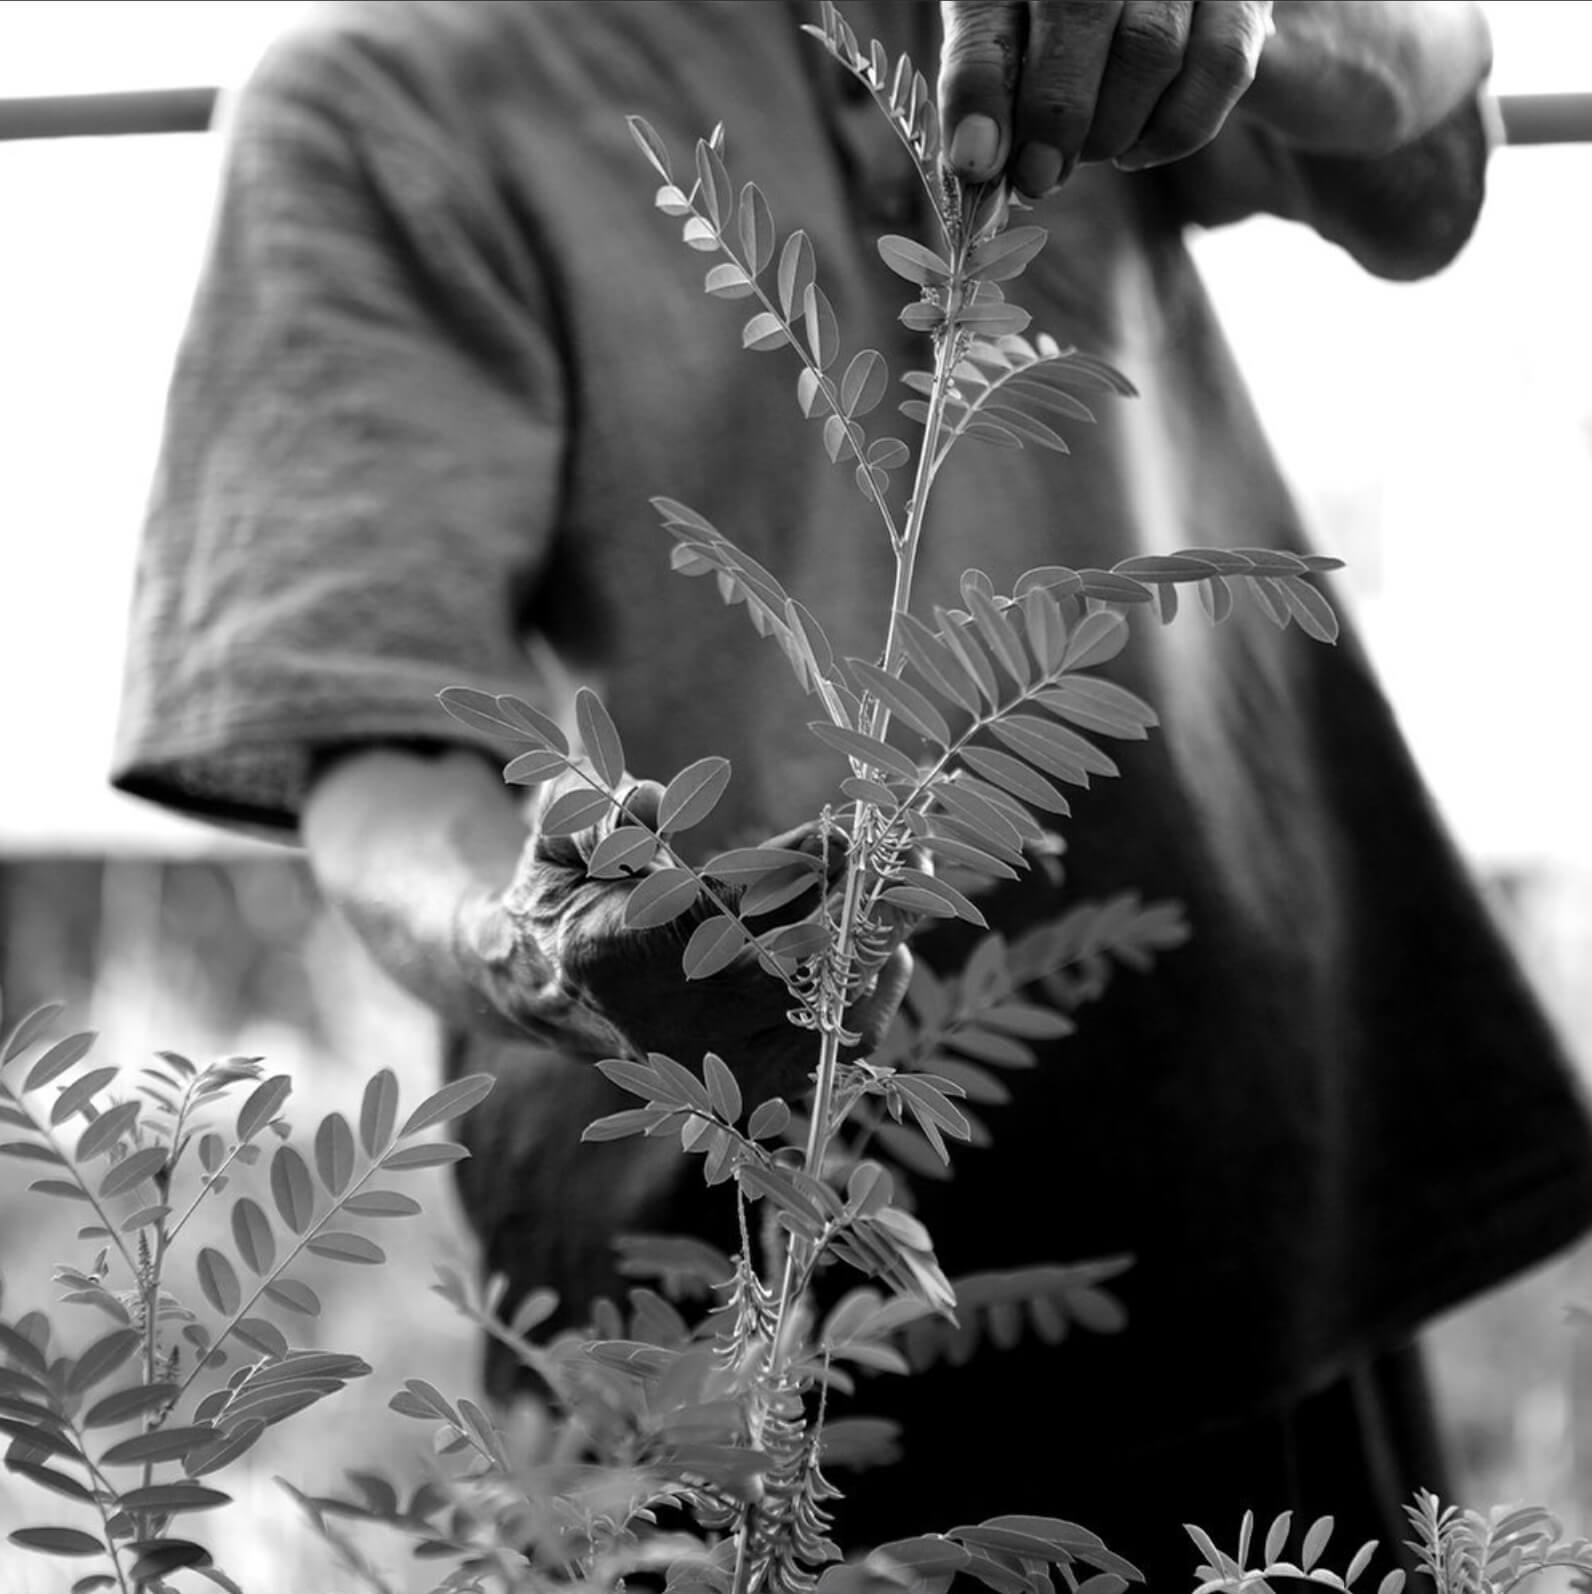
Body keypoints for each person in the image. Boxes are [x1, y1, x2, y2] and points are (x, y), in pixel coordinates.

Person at [112, 1, 1592, 1583]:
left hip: (1248, 1184)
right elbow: (374, 739)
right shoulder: (387, 91)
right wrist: (537, 941)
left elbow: (1424, 147)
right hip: (723, 1270)